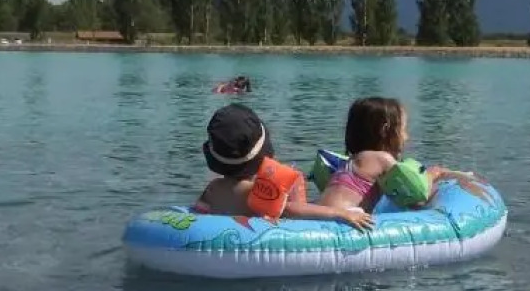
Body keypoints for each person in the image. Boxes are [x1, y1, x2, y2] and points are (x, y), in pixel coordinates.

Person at [194, 103, 374, 229]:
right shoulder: (259, 191)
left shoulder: (213, 187)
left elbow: (197, 214)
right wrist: (341, 213)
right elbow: (291, 211)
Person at [312, 97, 457, 212]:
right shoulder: (382, 160)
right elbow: (416, 199)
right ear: (385, 130)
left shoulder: (353, 161)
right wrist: (433, 174)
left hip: (320, 216)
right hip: (337, 224)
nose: (407, 137)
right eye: (403, 129)